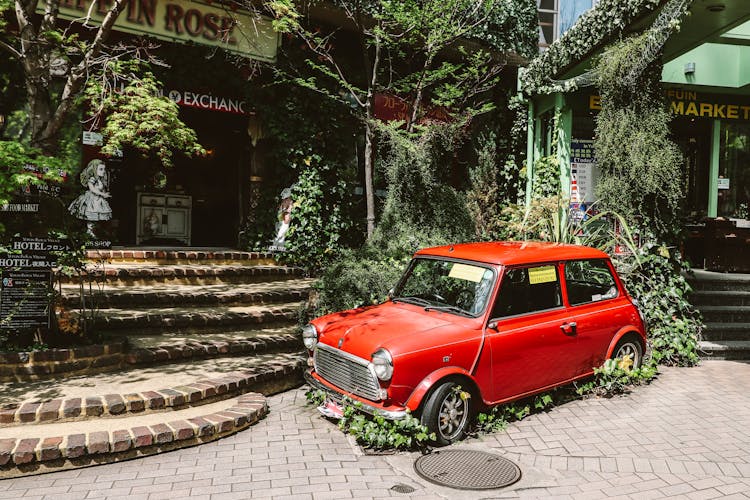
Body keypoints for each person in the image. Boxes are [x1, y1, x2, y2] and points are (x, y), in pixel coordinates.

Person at [68, 159, 112, 237]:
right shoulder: (92, 179)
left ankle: (91, 232)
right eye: (101, 169)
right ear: (94, 169)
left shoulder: (100, 180)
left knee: (95, 217)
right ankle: (89, 232)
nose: (103, 171)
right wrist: (102, 194)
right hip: (92, 199)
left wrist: (104, 193)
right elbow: (92, 189)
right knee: (90, 215)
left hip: (98, 200)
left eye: (104, 169)